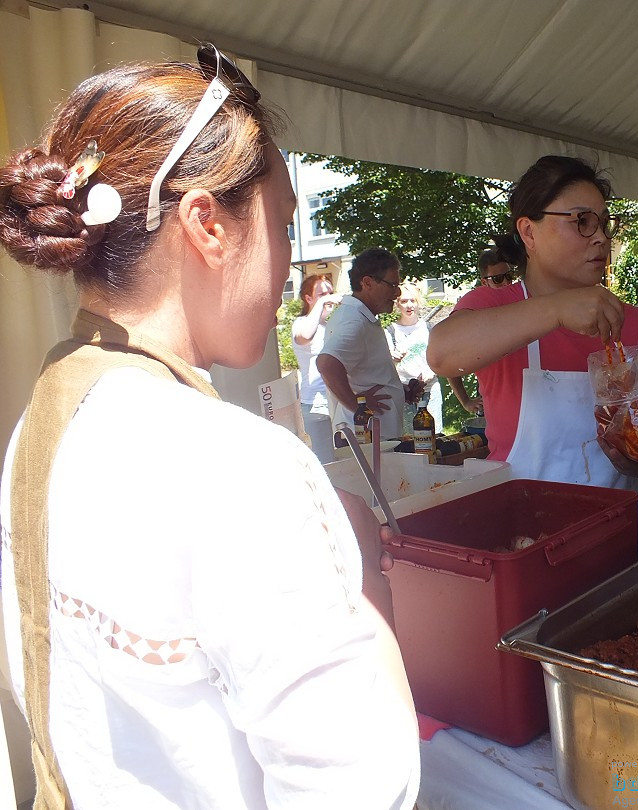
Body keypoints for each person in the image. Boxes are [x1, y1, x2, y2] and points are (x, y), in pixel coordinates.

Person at [0, 49, 419, 807]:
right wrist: (363, 600)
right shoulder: (238, 463)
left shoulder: (43, 420)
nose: (289, 264)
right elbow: (358, 783)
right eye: (284, 227)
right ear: (207, 225)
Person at [427, 154, 638, 557]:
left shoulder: (633, 323)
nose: (600, 238)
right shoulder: (493, 306)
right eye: (581, 221)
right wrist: (557, 309)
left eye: (603, 223)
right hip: (528, 542)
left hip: (615, 536)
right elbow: (442, 355)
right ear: (529, 231)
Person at [317, 248, 408, 438]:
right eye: (392, 285)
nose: (397, 292)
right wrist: (357, 408)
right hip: (369, 441)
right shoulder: (355, 320)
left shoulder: (356, 316)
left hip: (374, 440)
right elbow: (327, 364)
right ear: (367, 282)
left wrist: (400, 390)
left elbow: (364, 376)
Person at [447, 249, 516, 414]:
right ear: (484, 282)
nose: (506, 283)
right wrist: (466, 401)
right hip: (492, 404)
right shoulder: (475, 313)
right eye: (498, 279)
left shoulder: (523, 304)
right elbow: (450, 359)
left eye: (509, 276)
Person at [291, 272, 340, 451]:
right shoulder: (302, 322)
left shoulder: (332, 324)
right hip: (315, 402)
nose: (329, 298)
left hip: (338, 399)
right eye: (322, 294)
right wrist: (321, 304)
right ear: (308, 298)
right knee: (322, 452)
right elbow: (303, 336)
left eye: (330, 293)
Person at [386, 280, 443, 433]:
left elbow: (441, 359)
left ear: (419, 303)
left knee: (434, 435)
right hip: (405, 393)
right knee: (409, 438)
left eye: (413, 300)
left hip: (430, 389)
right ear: (397, 304)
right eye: (404, 301)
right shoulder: (390, 331)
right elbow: (386, 368)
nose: (409, 305)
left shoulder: (429, 329)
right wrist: (393, 359)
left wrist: (432, 372)